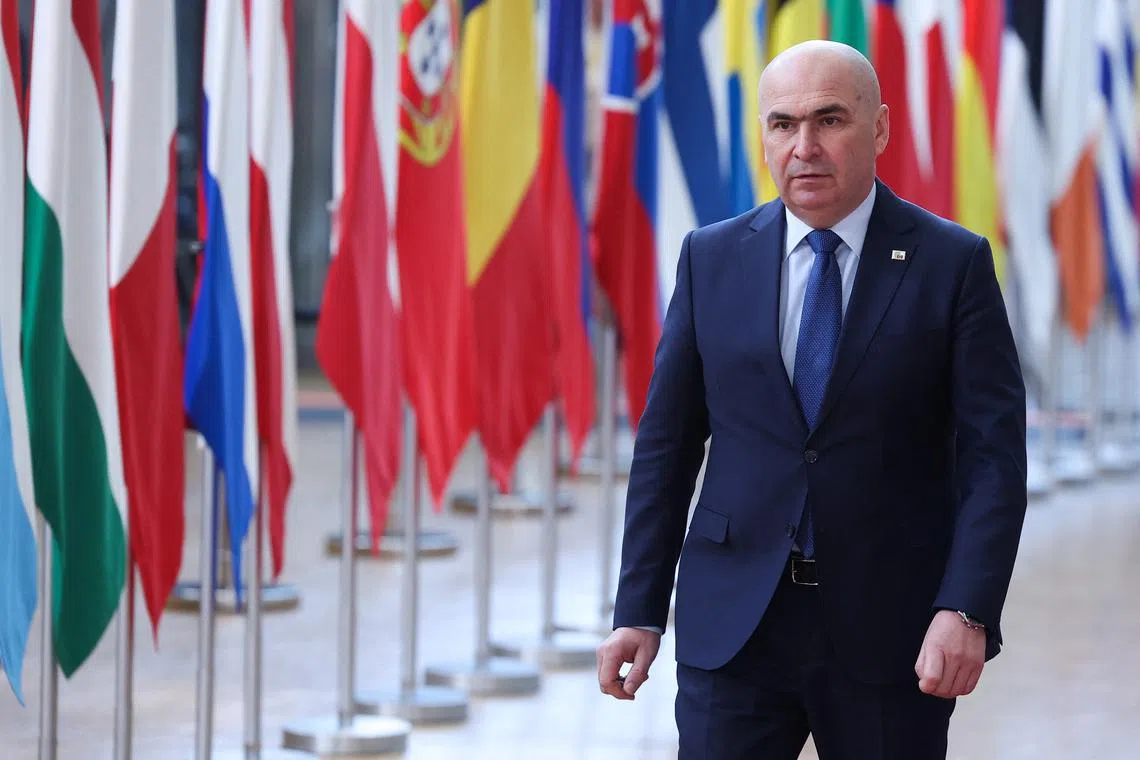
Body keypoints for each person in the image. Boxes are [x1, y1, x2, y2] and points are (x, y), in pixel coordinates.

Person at [595, 40, 1028, 759]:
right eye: (782, 124)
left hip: (893, 633)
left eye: (830, 120)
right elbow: (667, 449)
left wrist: (968, 608)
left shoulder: (952, 265)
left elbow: (994, 461)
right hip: (734, 628)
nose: (804, 147)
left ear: (881, 128)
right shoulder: (711, 258)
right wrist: (639, 608)